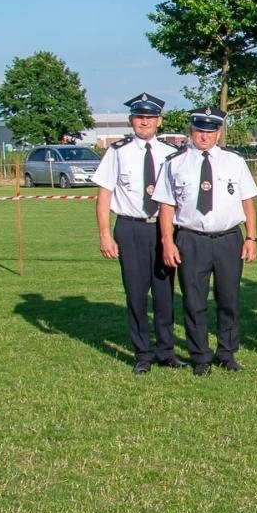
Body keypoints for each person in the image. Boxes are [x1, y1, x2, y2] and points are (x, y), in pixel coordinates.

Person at [153, 108, 257, 376]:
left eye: (211, 131)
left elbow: (247, 201)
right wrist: (168, 241)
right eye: (200, 130)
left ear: (219, 133)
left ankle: (227, 352)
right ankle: (200, 355)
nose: (205, 136)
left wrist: (252, 237)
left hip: (228, 239)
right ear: (192, 131)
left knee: (229, 299)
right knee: (194, 301)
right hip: (191, 239)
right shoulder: (174, 163)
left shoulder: (234, 161)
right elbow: (166, 205)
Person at [93, 92, 185, 374]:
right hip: (131, 228)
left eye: (149, 117)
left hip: (164, 228)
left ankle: (166, 351)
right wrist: (105, 235)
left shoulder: (171, 154)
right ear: (132, 120)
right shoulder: (117, 152)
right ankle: (142, 354)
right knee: (135, 293)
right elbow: (104, 195)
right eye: (139, 117)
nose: (144, 122)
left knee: (164, 293)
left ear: (159, 121)